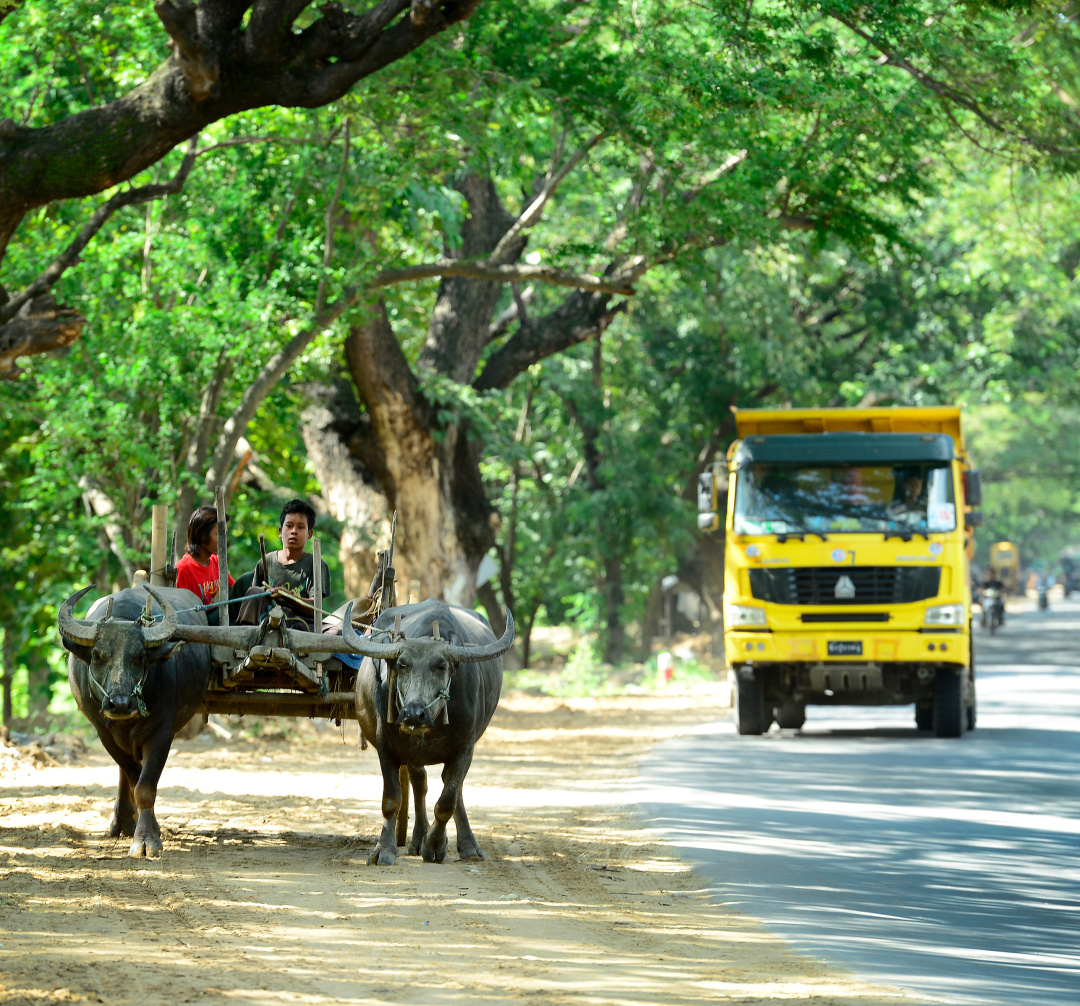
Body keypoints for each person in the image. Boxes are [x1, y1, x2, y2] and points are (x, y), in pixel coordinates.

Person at [236, 499, 330, 630]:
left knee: (336, 631)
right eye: (289, 526)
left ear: (310, 534)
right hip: (265, 621)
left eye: (301, 527)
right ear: (280, 531)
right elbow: (254, 600)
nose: (294, 531)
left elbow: (315, 608)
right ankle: (245, 637)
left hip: (301, 626)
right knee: (254, 591)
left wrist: (287, 596)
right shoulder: (266, 561)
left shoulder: (317, 565)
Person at [174, 506, 235, 626]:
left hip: (216, 614)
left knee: (248, 580)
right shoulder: (184, 568)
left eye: (225, 534)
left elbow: (235, 587)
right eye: (218, 534)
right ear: (201, 535)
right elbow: (181, 610)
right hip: (199, 621)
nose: (223, 540)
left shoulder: (217, 561)